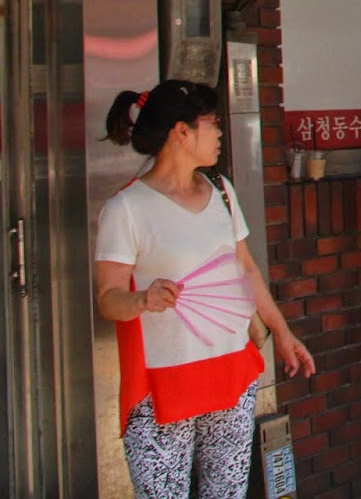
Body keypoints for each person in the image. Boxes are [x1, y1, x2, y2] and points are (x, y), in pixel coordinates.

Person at [94, 81, 315, 499]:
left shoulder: (222, 191)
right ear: (181, 131)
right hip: (161, 387)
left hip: (230, 372)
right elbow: (108, 300)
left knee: (227, 493)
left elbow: (245, 269)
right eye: (212, 123)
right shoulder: (125, 209)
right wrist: (142, 299)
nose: (219, 133)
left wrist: (282, 332)